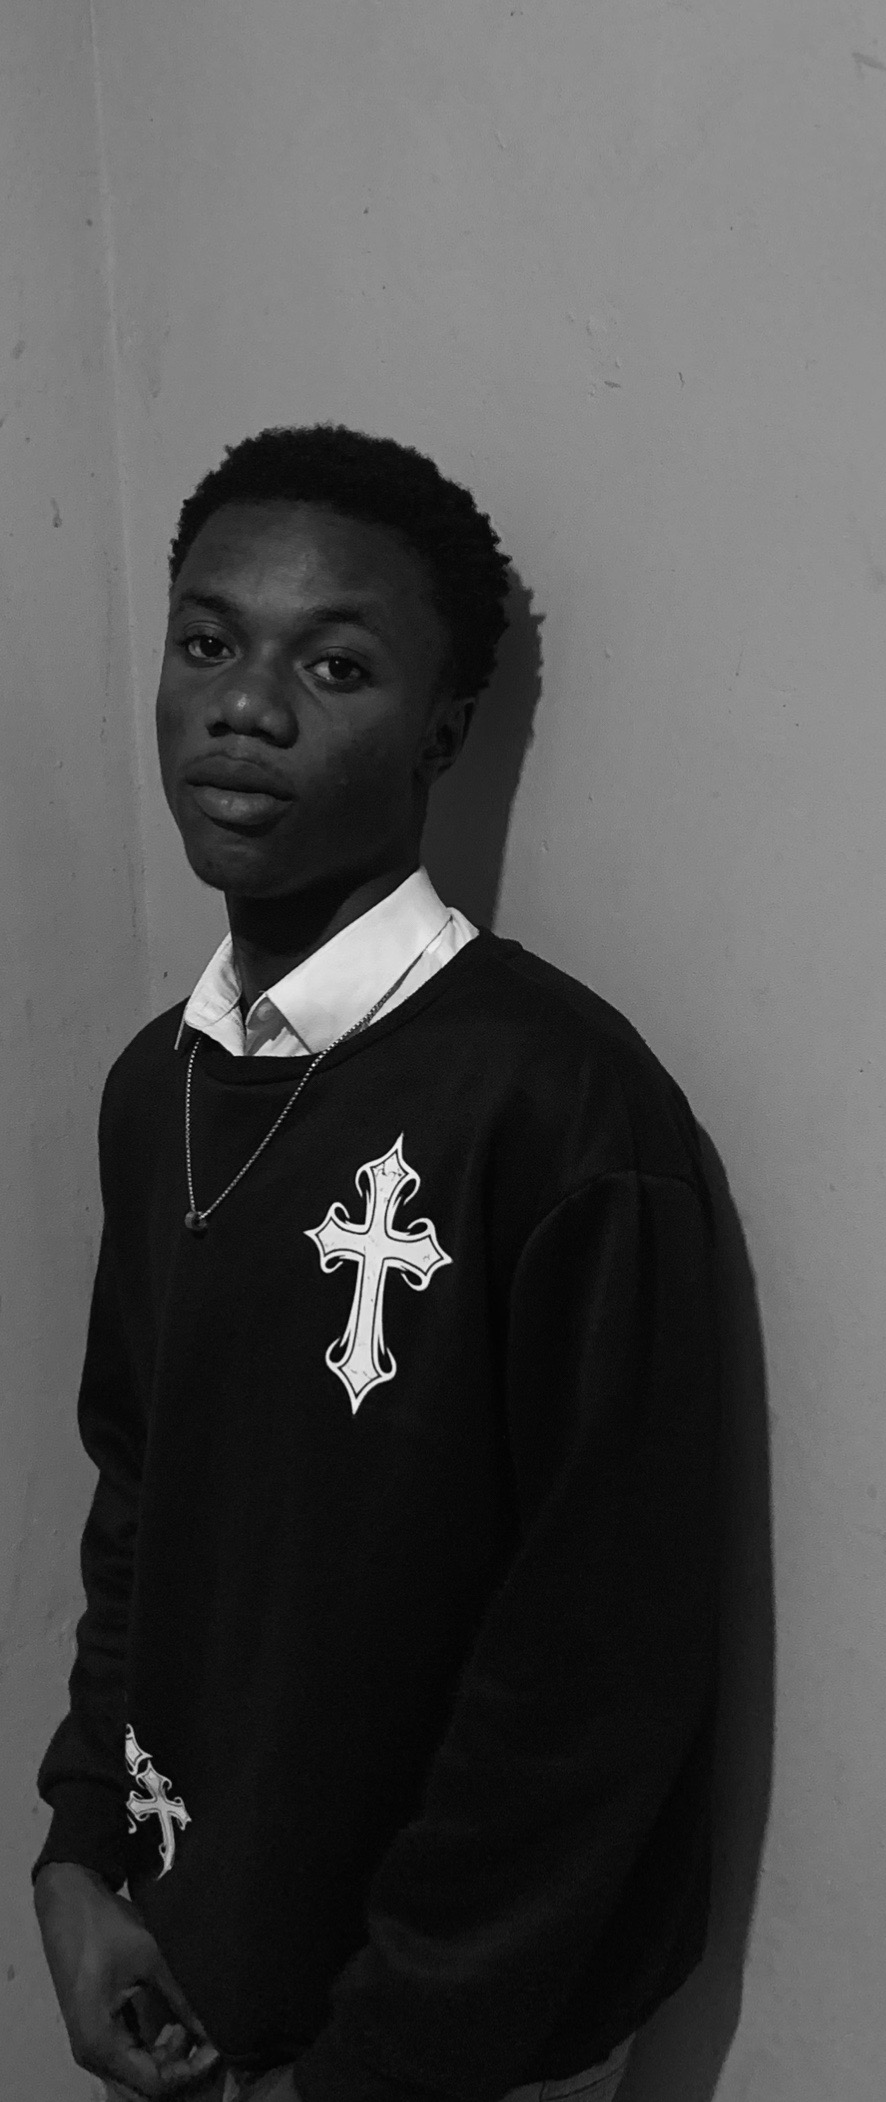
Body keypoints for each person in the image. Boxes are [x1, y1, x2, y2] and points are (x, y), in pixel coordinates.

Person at [31, 425, 720, 2102]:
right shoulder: (156, 1086)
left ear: (441, 730)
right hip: (194, 1960)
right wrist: (81, 1854)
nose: (244, 708)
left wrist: (379, 2063)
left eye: (333, 665)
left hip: (444, 2041)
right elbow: (141, 1497)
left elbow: (596, 1665)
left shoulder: (556, 1104)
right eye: (207, 642)